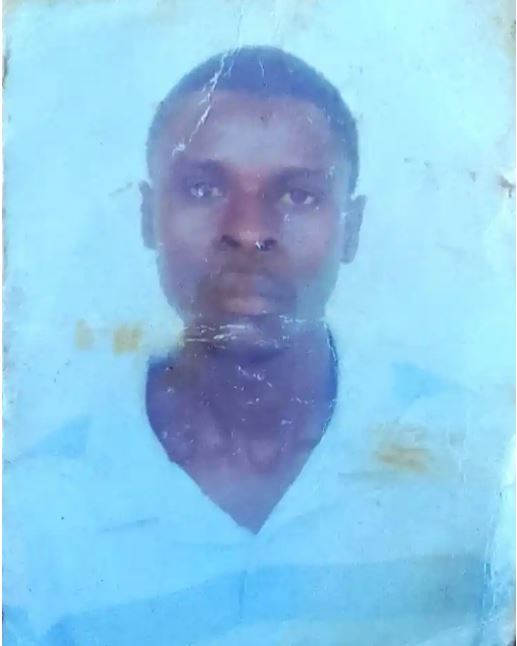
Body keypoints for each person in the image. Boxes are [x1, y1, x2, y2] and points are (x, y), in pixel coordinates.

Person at [4, 47, 513, 646]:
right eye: (202, 189)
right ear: (147, 217)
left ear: (350, 229)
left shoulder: (480, 467)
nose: (248, 231)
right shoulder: (31, 512)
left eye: (298, 195)